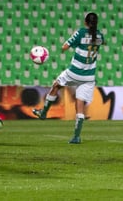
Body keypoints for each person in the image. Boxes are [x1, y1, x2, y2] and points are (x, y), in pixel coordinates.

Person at [32, 12, 104, 144]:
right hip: (89, 76)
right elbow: (102, 42)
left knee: (56, 85)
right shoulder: (99, 35)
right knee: (80, 104)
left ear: (85, 22)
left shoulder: (81, 32)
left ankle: (43, 112)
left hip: (74, 72)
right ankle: (76, 136)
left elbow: (64, 47)